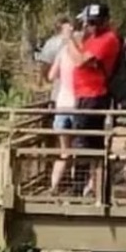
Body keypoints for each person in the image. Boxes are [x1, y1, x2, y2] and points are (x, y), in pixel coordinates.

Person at [60, 3, 122, 195]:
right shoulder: (92, 38)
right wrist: (74, 41)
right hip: (84, 95)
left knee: (83, 143)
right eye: (90, 22)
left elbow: (79, 60)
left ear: (105, 21)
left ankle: (78, 187)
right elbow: (78, 57)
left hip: (94, 96)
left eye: (96, 22)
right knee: (90, 143)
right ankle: (95, 187)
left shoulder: (108, 39)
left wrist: (68, 39)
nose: (92, 26)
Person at [47, 21, 80, 190]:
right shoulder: (79, 53)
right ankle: (75, 183)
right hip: (76, 104)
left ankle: (54, 186)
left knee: (64, 150)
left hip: (61, 104)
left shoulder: (61, 53)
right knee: (77, 147)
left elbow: (51, 75)